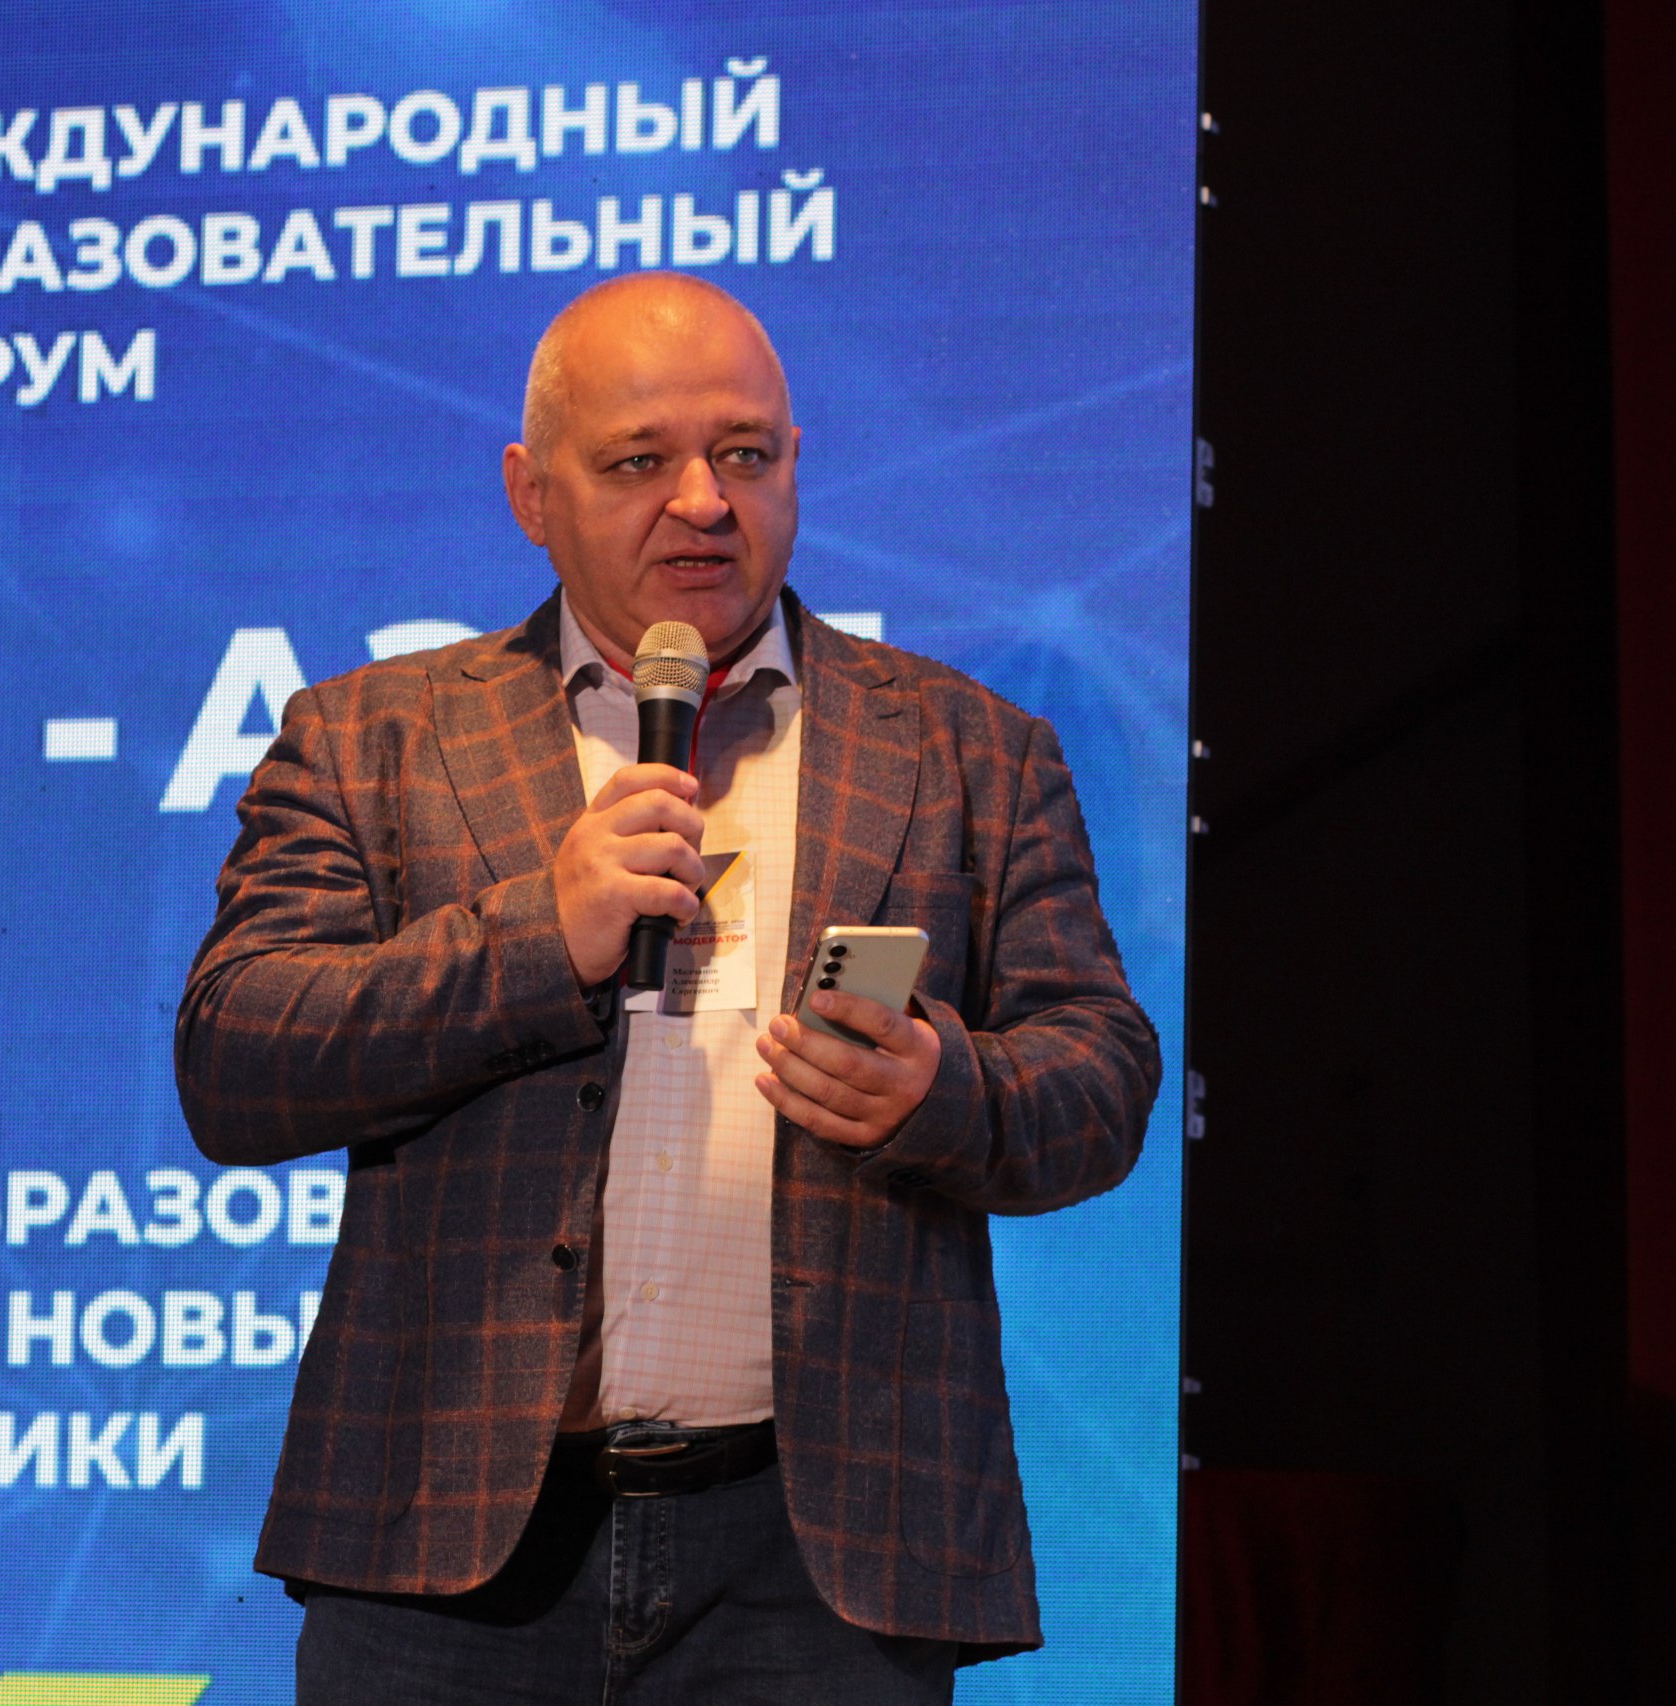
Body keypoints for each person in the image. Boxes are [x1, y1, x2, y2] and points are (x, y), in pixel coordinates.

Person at [174, 273, 1160, 1704]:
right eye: (640, 461)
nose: (703, 501)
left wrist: (941, 1088)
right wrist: (544, 935)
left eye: (743, 454)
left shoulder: (969, 749)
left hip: (819, 1562)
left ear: (795, 466)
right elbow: (236, 1056)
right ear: (532, 493)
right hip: (447, 1555)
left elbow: (1103, 1070)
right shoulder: (372, 736)